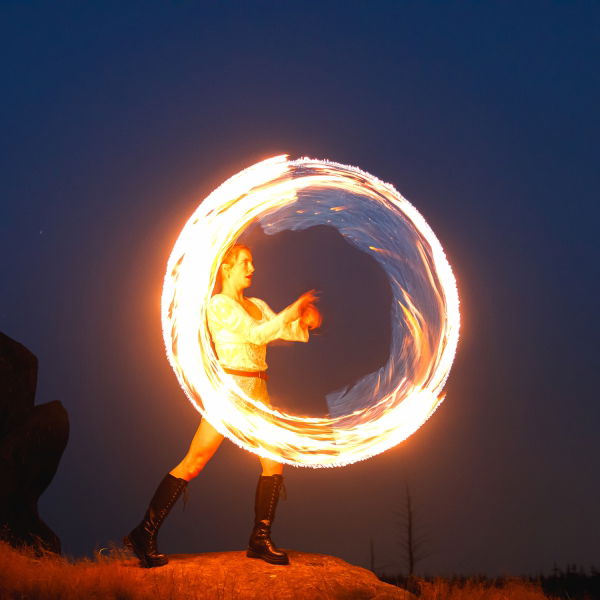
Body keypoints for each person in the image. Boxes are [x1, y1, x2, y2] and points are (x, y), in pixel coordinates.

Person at [124, 244, 321, 568]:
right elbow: (256, 336)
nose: (251, 268)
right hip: (229, 394)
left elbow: (282, 330)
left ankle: (260, 539)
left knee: (273, 461)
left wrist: (306, 320)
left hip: (258, 393)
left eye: (253, 262)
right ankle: (143, 533)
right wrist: (293, 307)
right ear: (226, 267)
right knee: (194, 461)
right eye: (245, 262)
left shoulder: (256, 304)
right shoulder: (219, 305)